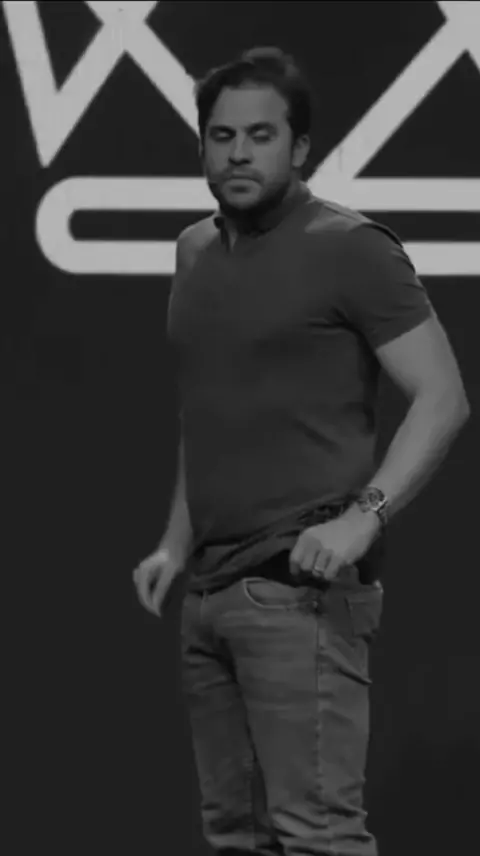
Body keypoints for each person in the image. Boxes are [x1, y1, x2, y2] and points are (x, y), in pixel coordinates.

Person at [133, 47, 470, 856]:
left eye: (261, 135)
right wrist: (176, 542)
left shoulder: (351, 248)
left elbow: (444, 397)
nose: (238, 154)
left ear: (302, 148)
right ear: (202, 146)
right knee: (234, 837)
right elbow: (209, 412)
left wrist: (364, 517)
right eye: (222, 137)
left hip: (300, 591)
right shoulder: (193, 251)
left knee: (318, 839)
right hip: (209, 593)